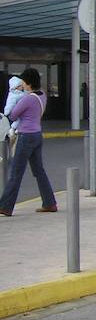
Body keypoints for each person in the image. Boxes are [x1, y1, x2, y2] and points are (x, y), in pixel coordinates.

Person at [0, 68, 57, 216]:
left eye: (24, 82)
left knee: (16, 173)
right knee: (39, 171)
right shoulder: (42, 95)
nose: (22, 85)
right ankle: (50, 203)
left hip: (26, 136)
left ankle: (5, 206)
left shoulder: (27, 99)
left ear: (29, 83)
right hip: (37, 135)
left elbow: (12, 114)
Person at [4, 75, 26, 150]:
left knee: (21, 120)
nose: (22, 87)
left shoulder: (19, 93)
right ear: (16, 87)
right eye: (20, 86)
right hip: (15, 112)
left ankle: (15, 130)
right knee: (20, 119)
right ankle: (13, 129)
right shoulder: (14, 95)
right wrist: (7, 111)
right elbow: (10, 104)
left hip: (18, 112)